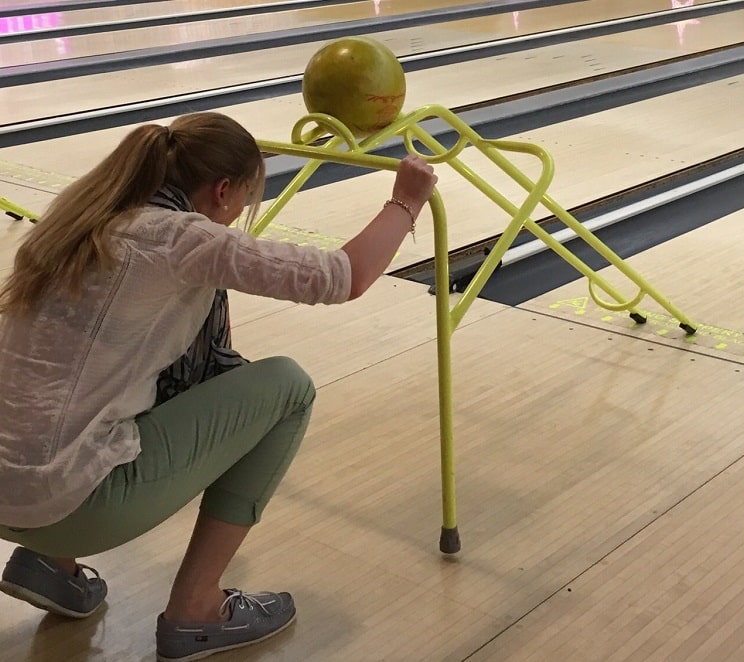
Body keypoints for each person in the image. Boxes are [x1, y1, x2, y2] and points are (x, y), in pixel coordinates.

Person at [0, 111, 437, 661]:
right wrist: (406, 200)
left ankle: (50, 566)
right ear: (221, 189)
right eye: (242, 202)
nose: (234, 217)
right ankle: (197, 609)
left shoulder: (78, 218)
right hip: (66, 506)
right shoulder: (182, 238)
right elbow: (343, 276)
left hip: (7, 497)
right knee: (286, 387)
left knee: (99, 386)